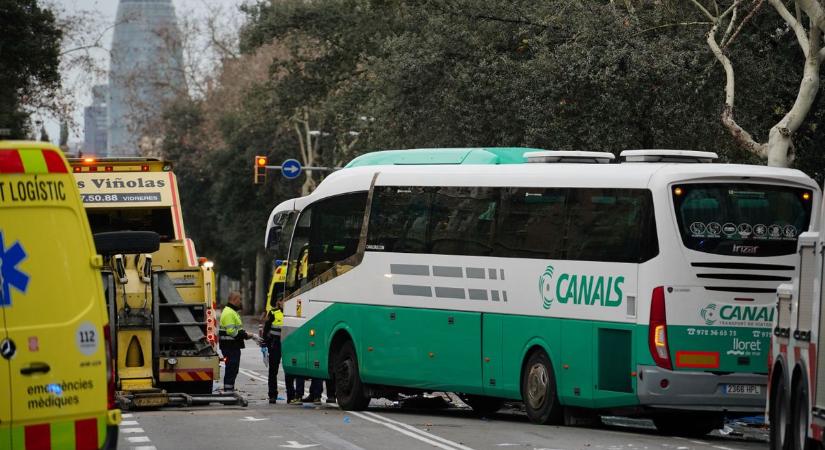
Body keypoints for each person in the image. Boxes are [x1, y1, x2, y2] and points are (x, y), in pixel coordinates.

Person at [219, 291, 255, 393]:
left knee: (233, 368)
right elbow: (232, 332)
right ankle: (228, 391)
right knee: (231, 368)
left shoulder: (232, 311)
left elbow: (238, 330)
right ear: (234, 299)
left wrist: (249, 335)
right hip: (229, 346)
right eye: (240, 299)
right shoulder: (229, 312)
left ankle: (229, 390)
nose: (241, 301)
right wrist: (246, 335)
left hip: (232, 346)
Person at [261, 298, 283, 404]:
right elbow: (266, 329)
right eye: (283, 300)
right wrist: (265, 343)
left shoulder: (293, 312)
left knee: (290, 372)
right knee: (273, 370)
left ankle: (293, 396)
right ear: (278, 302)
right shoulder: (273, 312)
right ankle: (272, 395)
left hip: (288, 345)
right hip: (275, 344)